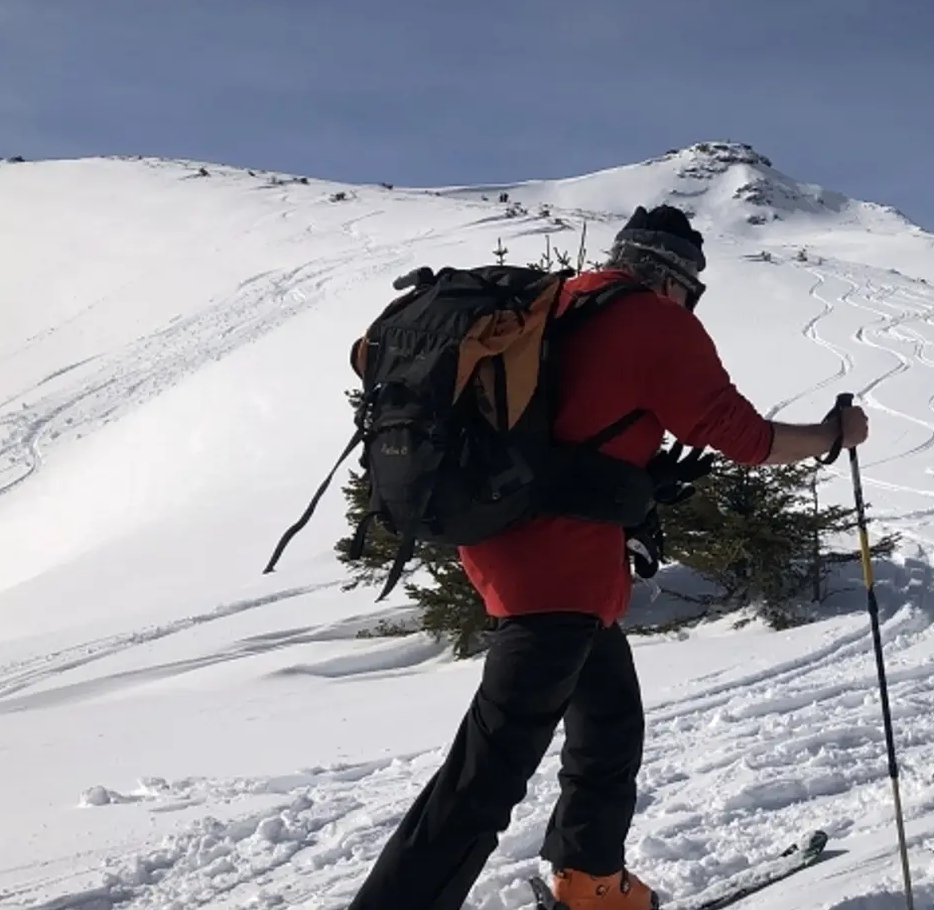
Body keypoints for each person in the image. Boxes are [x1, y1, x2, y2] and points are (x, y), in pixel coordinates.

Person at [348, 204, 872, 910]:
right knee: (487, 772)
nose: (691, 304)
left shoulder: (559, 303)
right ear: (674, 278)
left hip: (519, 552)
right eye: (694, 289)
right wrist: (834, 434)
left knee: (609, 719)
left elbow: (565, 429)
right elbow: (744, 438)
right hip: (556, 576)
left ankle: (590, 878)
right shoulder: (654, 320)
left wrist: (630, 479)